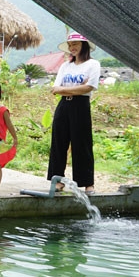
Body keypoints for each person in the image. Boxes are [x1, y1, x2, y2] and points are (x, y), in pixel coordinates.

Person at [48, 32, 100, 195]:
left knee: (82, 144)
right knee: (58, 143)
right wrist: (73, 89)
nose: (72, 48)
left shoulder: (93, 64)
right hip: (63, 106)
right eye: (70, 45)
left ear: (84, 45)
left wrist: (65, 89)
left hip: (81, 106)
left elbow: (89, 87)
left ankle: (87, 183)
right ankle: (58, 180)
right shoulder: (65, 66)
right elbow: (55, 89)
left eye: (75, 44)